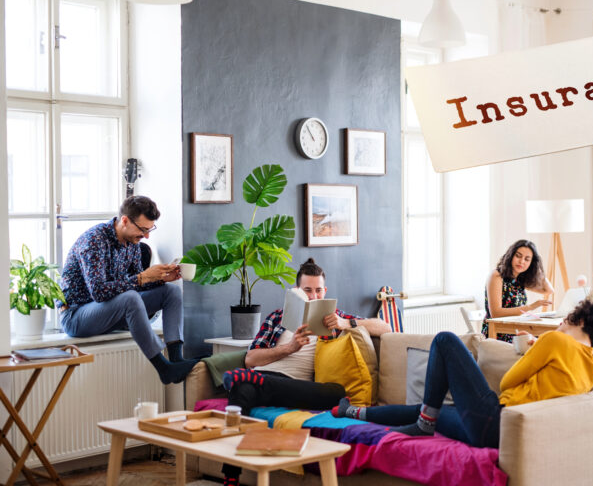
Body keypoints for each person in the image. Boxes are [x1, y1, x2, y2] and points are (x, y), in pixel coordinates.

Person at [332, 300, 593, 449]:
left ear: (578, 320)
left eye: (565, 320)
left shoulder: (555, 341)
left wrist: (539, 344)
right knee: (430, 412)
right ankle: (353, 412)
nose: (560, 324)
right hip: (504, 436)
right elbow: (554, 381)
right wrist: (537, 347)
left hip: (497, 420)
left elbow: (507, 382)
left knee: (445, 340)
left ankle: (422, 423)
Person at [221, 258, 391, 486]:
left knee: (337, 393)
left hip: (297, 388)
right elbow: (251, 358)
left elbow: (385, 327)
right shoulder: (278, 318)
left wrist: (345, 323)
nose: (313, 297)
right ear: (297, 292)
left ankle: (249, 380)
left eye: (318, 291)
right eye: (307, 291)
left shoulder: (336, 319)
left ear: (325, 291)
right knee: (241, 392)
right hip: (265, 376)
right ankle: (231, 477)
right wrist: (290, 348)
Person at [57, 196, 198, 384]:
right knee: (130, 298)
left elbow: (137, 284)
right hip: (77, 315)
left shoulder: (132, 244)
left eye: (150, 230)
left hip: (110, 313)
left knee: (171, 292)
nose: (146, 236)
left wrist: (159, 278)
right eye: (143, 230)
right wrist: (143, 277)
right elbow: (98, 292)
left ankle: (176, 359)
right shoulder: (93, 241)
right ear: (124, 220)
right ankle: (163, 368)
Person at [484, 239, 554, 342]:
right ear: (511, 256)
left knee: (550, 339)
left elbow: (548, 290)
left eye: (527, 259)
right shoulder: (497, 275)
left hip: (516, 331)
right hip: (498, 334)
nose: (521, 261)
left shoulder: (520, 280)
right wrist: (530, 307)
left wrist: (538, 268)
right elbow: (496, 313)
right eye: (518, 256)